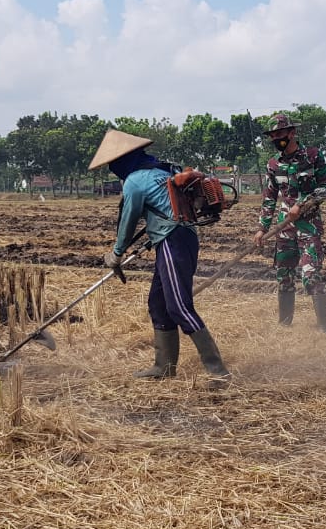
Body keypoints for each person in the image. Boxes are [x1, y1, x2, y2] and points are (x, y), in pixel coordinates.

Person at [88, 128, 231, 390]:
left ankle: (218, 371)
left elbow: (128, 219)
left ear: (122, 161)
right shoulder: (163, 171)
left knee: (178, 306)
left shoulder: (134, 181)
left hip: (172, 241)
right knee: (158, 304)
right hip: (177, 239)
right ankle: (163, 366)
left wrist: (117, 254)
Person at [252, 113, 326, 333]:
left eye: (280, 134)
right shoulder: (273, 164)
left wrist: (303, 203)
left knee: (310, 275)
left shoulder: (312, 156)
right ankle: (285, 326)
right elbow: (269, 197)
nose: (276, 138)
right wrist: (262, 228)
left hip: (309, 225)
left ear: (292, 133)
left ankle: (324, 330)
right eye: (272, 136)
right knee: (283, 276)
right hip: (284, 227)